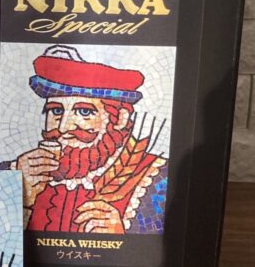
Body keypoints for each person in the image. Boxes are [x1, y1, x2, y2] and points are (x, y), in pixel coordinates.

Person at [13, 45, 167, 234]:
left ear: (120, 119)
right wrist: (21, 197)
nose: (63, 128)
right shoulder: (16, 171)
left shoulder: (157, 179)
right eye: (56, 111)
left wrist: (121, 235)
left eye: (84, 112)